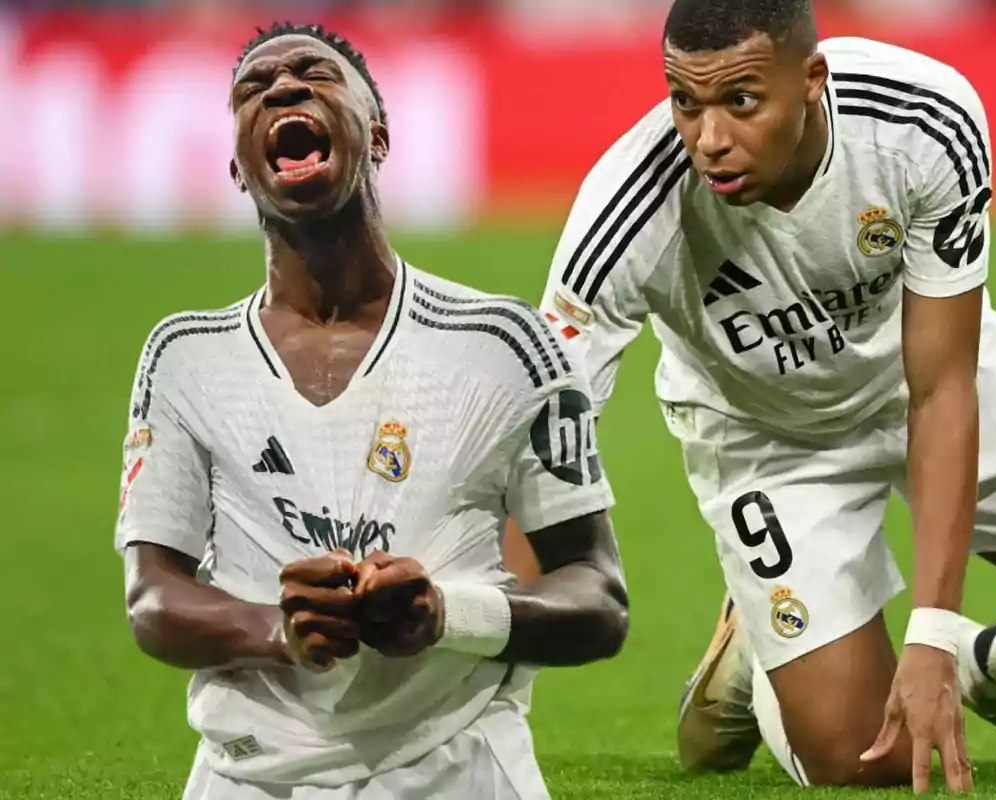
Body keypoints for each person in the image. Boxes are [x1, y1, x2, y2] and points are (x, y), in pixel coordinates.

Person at [512, 0, 996, 791]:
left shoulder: (923, 123)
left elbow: (941, 388)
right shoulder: (627, 210)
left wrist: (936, 643)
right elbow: (543, 447)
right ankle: (759, 659)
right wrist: (469, 642)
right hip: (764, 435)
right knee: (863, 763)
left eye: (741, 101)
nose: (708, 139)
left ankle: (981, 669)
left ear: (812, 81)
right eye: (684, 101)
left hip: (923, 379)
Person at [116, 23, 627, 800]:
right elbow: (153, 598)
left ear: (378, 138)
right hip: (248, 774)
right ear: (237, 170)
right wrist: (278, 633)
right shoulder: (185, 357)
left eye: (315, 74)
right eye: (254, 88)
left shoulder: (505, 343)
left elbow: (598, 597)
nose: (284, 87)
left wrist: (444, 616)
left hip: (456, 761)